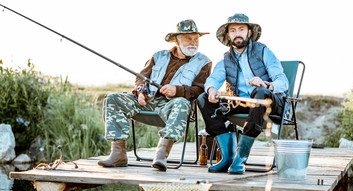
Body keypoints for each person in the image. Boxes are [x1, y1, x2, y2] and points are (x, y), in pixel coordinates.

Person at [98, 19, 212, 171]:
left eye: (196, 39)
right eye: (188, 38)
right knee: (112, 98)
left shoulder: (204, 62)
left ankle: (161, 156)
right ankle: (118, 154)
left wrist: (177, 90)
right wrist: (140, 92)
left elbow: (200, 90)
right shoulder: (158, 56)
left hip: (173, 106)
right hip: (148, 101)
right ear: (177, 40)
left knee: (181, 103)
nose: (193, 42)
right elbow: (141, 77)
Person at [198, 13, 288, 174]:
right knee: (203, 98)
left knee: (260, 93)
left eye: (241, 29)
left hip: (270, 102)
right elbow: (212, 80)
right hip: (241, 103)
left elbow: (283, 81)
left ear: (249, 33)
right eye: (232, 30)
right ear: (228, 35)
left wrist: (267, 84)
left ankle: (241, 158)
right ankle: (227, 157)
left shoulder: (263, 51)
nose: (237, 33)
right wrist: (211, 89)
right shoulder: (226, 59)